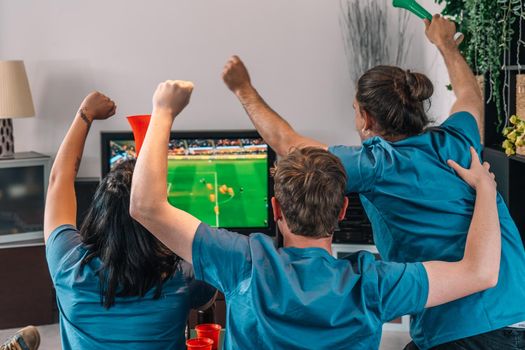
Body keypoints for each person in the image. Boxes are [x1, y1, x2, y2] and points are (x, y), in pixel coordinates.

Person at [220, 14, 525, 350]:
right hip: (516, 310)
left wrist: (242, 89)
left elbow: (288, 145)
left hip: (466, 328)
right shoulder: (456, 138)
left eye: (354, 109)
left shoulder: (378, 163)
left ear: (366, 118)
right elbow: (469, 95)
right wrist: (445, 46)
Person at [130, 80, 500, 349]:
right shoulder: (375, 283)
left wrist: (163, 110)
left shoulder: (242, 261)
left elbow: (145, 206)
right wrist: (484, 188)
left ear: (276, 209)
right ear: (342, 209)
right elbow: (481, 272)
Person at [44, 92, 216, 350]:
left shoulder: (67, 265)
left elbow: (60, 179)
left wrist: (85, 114)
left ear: (101, 209)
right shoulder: (183, 275)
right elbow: (207, 302)